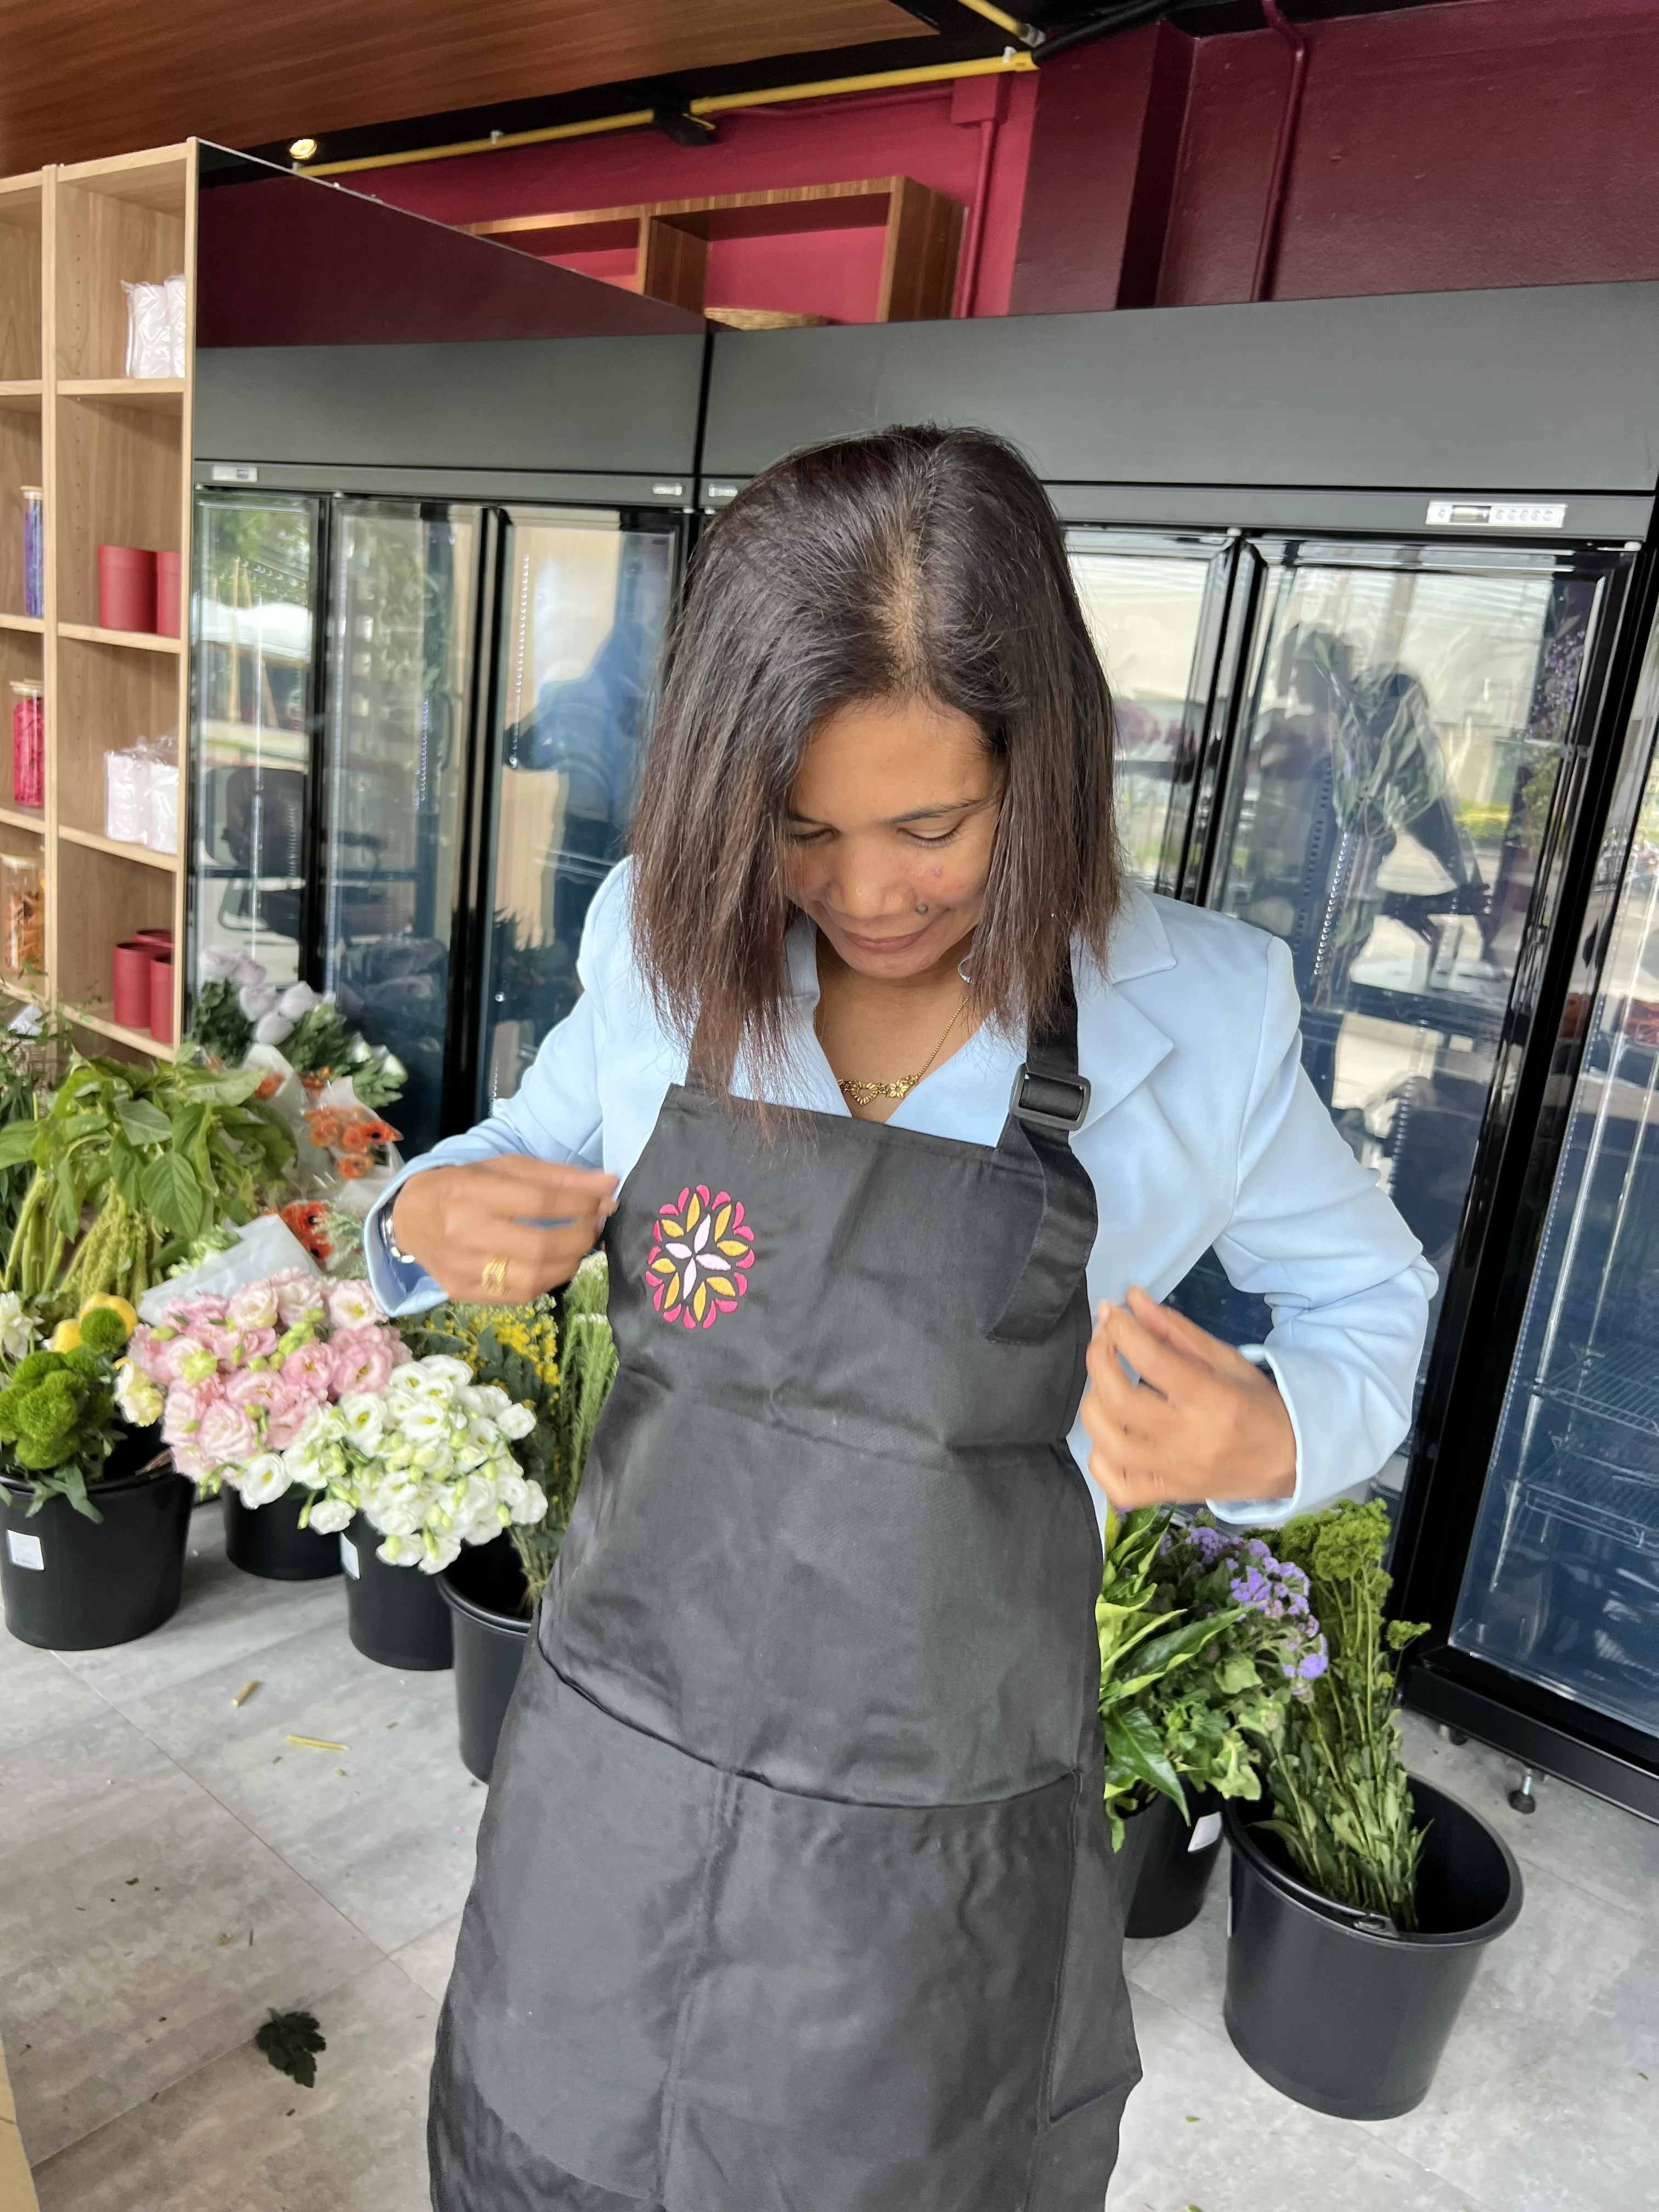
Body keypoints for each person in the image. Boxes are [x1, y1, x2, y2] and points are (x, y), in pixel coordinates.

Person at [366, 427, 1433, 2212]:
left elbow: (1370, 1300)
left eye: (932, 826)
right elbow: (531, 1147)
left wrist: (1273, 1429)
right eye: (805, 830)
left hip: (936, 1841)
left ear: (1050, 766)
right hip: (620, 1773)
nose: (866, 894)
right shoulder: (664, 936)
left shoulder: (1207, 1016)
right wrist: (421, 1210)